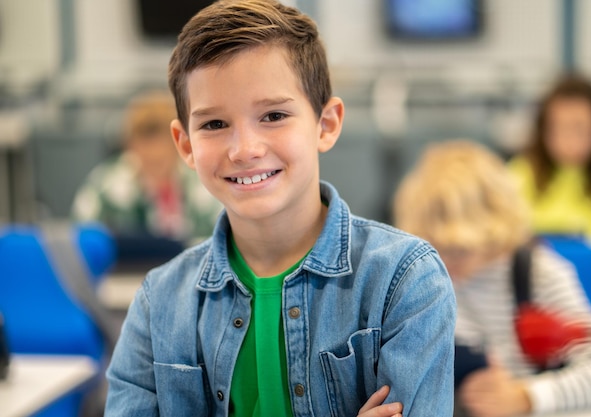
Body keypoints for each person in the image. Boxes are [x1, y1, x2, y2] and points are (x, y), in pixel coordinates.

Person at [104, 1, 456, 416]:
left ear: (326, 124)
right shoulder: (158, 303)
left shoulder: (405, 281)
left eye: (273, 115)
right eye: (214, 124)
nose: (244, 150)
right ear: (185, 145)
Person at [394, 140, 591, 417]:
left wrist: (526, 396)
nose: (445, 264)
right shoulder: (422, 278)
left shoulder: (540, 274)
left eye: (459, 252)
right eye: (433, 249)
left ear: (496, 234)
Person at [71, 89, 222, 243]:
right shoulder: (104, 188)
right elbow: (81, 243)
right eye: (146, 143)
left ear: (179, 144)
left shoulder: (202, 185)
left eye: (163, 143)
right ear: (130, 145)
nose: (155, 153)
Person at [508, 74, 591, 243]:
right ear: (543, 130)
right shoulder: (519, 174)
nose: (568, 141)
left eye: (579, 128)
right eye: (558, 128)